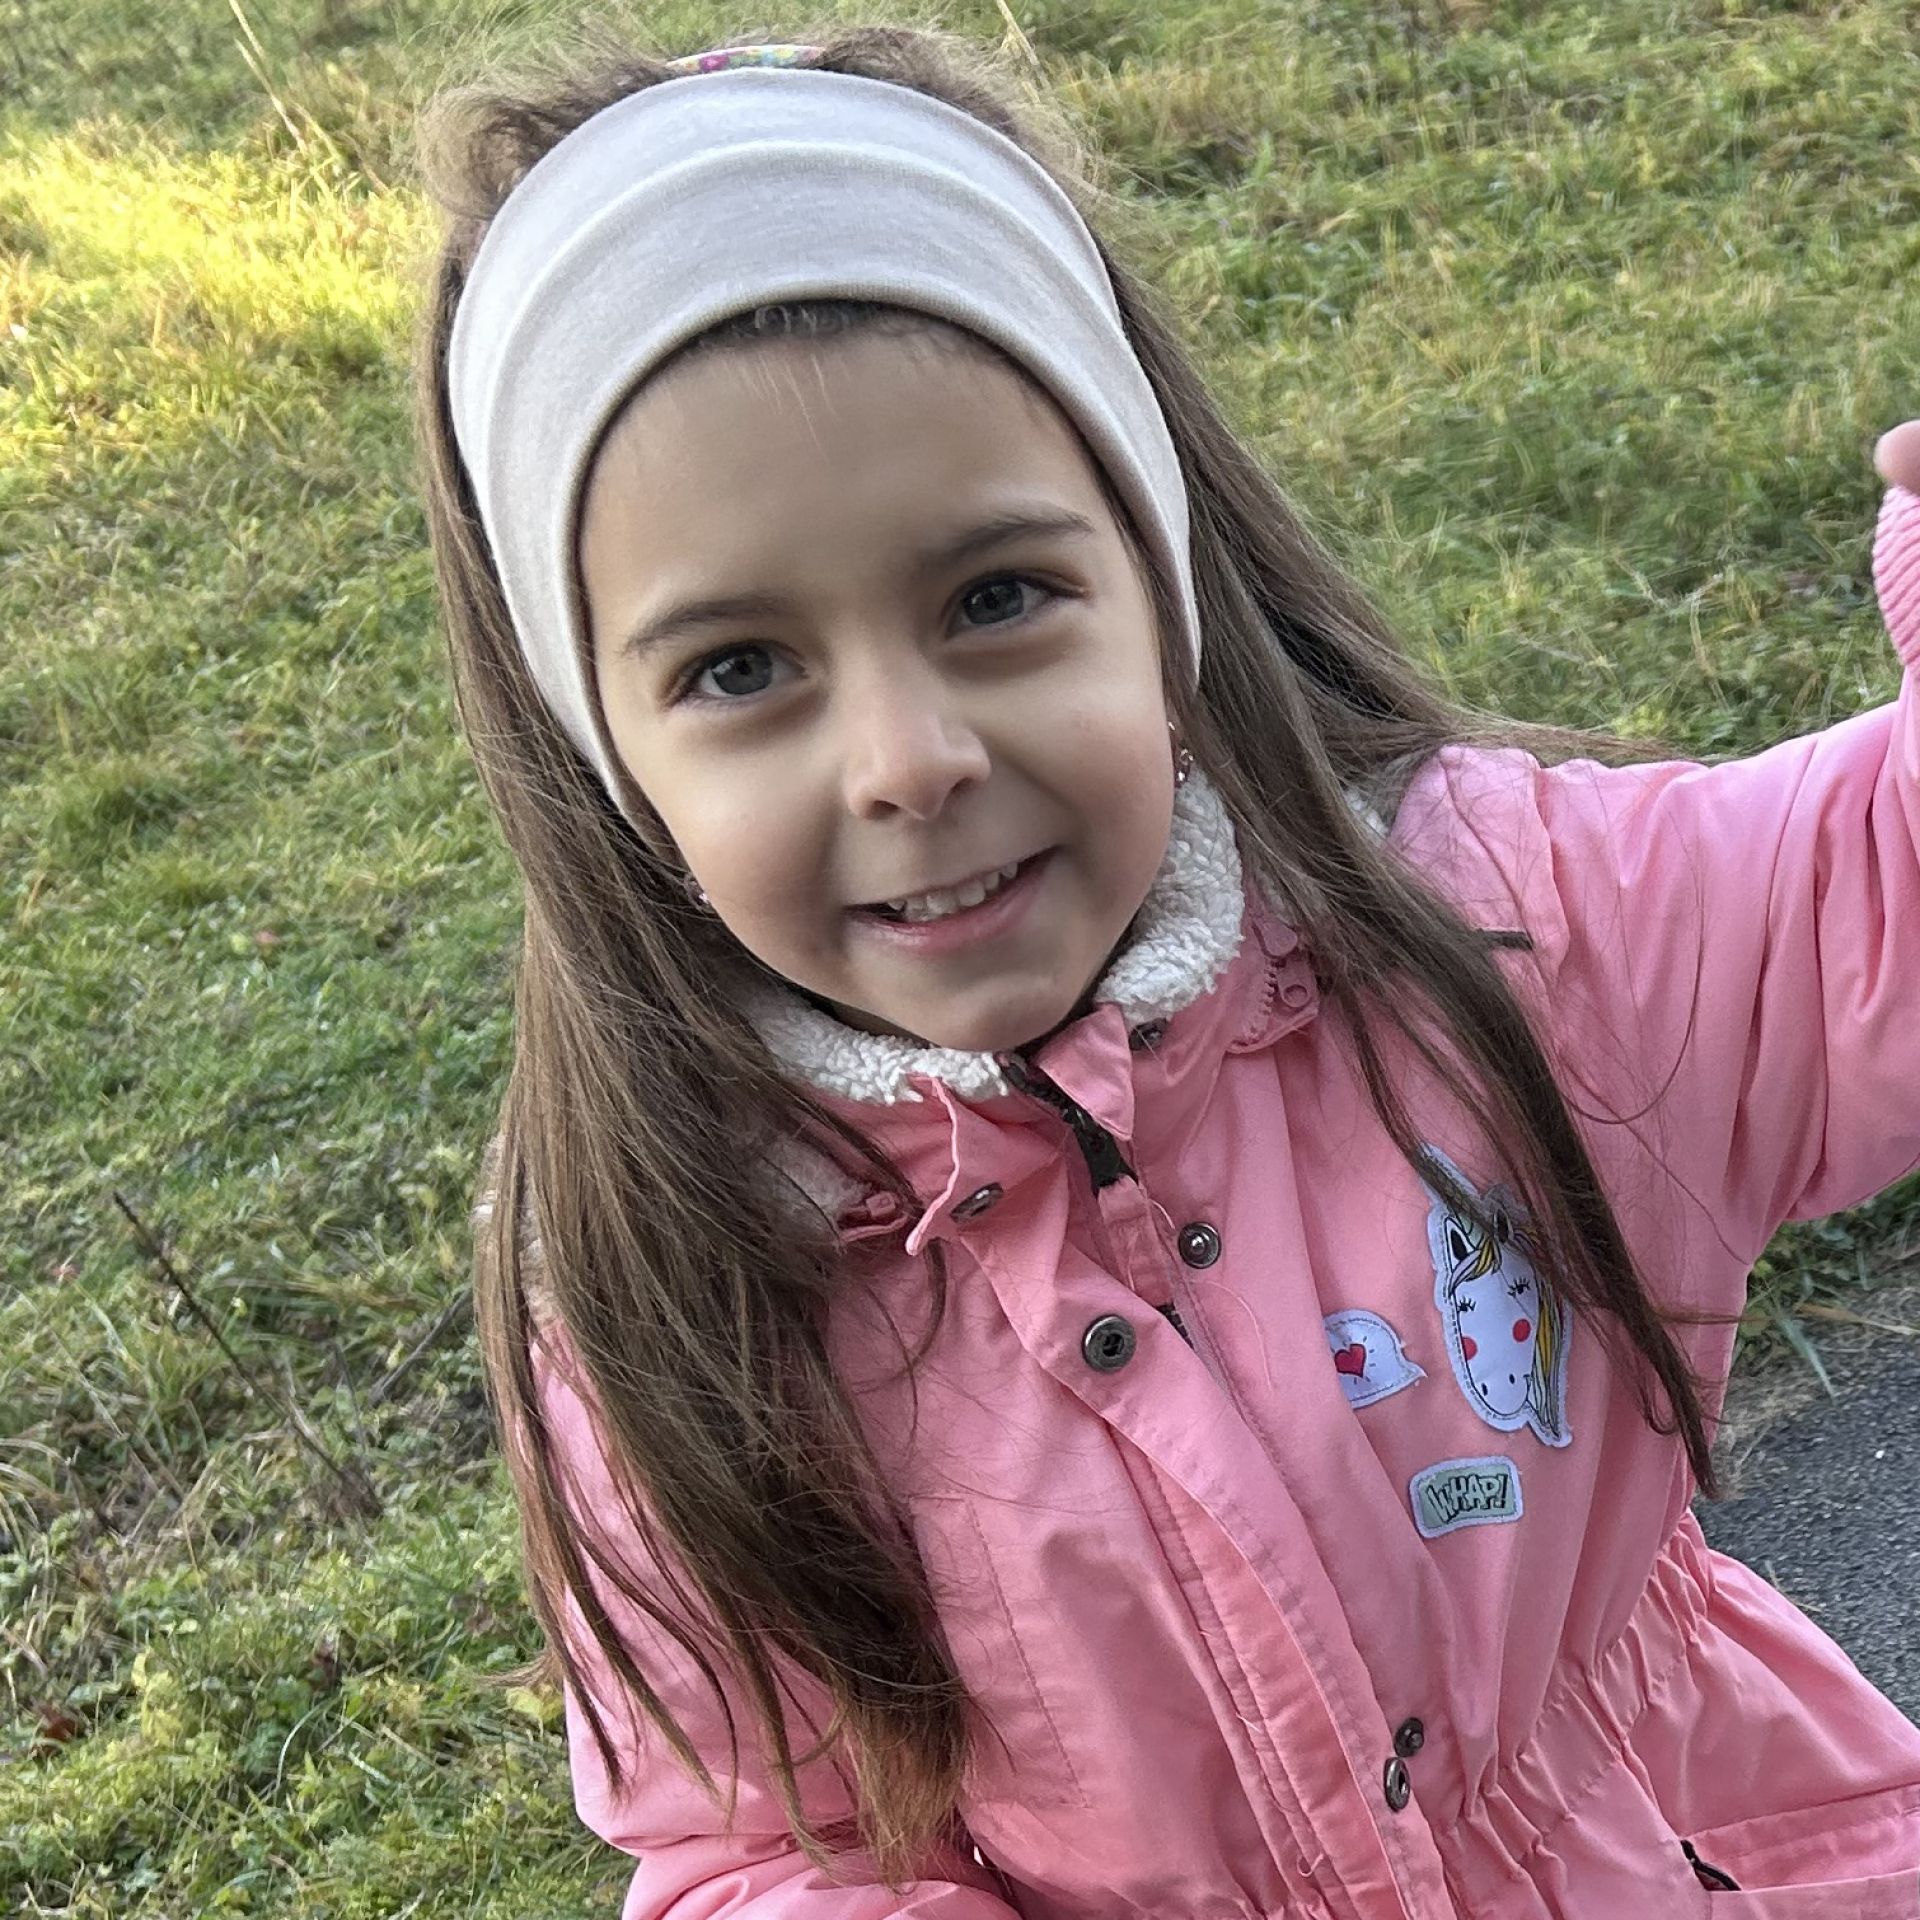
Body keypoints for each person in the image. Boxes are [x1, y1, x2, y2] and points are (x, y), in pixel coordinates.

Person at [411, 23, 1920, 1919]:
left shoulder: (1509, 932)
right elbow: (758, 1838)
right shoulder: (669, 1265)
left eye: (996, 599)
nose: (906, 762)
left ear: (1161, 581)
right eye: (738, 670)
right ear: (605, 750)